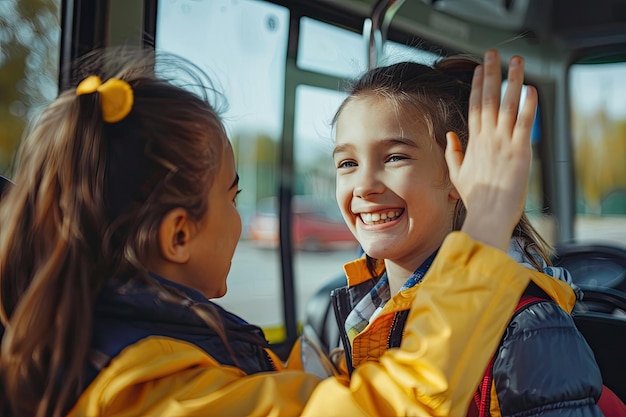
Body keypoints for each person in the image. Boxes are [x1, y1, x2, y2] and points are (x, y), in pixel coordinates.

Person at [1, 47, 536, 417]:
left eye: (395, 157)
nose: (365, 184)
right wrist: (486, 224)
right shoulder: (149, 386)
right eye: (232, 197)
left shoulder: (144, 350)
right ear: (179, 236)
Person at [330, 50, 605, 416]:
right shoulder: (360, 315)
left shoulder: (526, 326)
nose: (363, 185)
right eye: (347, 163)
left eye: (395, 157)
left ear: (463, 172)